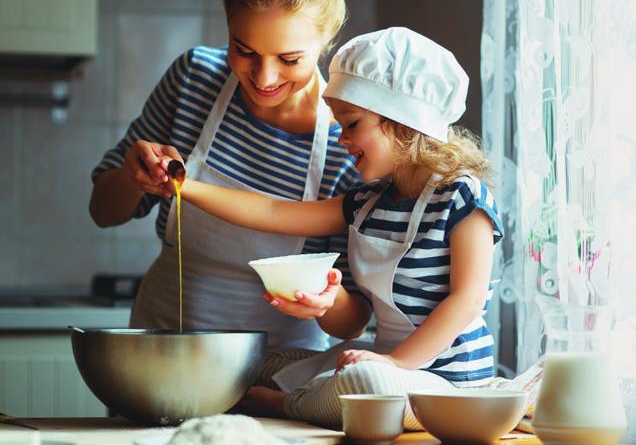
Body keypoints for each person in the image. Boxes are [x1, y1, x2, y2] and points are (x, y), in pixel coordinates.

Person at [170, 27, 504, 429]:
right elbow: (275, 212)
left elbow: (466, 300)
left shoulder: (462, 197)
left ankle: (285, 405)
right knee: (263, 360)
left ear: (402, 120)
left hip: (448, 387)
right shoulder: (368, 202)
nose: (342, 138)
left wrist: (395, 362)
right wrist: (182, 186)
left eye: (352, 124)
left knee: (367, 380)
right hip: (386, 365)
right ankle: (309, 394)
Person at [89, 0, 365, 355]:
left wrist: (325, 302)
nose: (263, 76)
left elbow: (353, 320)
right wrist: (129, 176)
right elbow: (103, 211)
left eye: (290, 59)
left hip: (277, 378)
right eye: (244, 49)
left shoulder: (347, 137)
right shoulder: (195, 78)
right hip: (160, 352)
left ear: (328, 38)